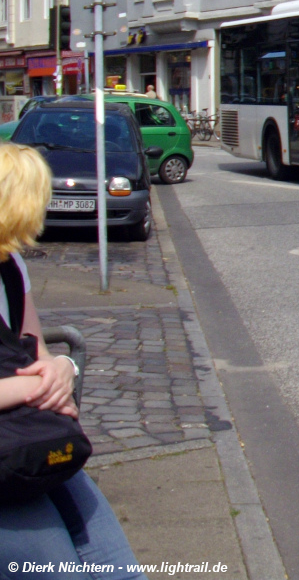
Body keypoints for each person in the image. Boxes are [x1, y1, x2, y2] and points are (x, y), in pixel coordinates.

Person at [0, 144, 148, 579]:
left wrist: (64, 370)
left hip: (22, 440)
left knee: (119, 569)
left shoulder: (10, 267)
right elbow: (27, 379)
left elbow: (35, 354)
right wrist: (33, 387)